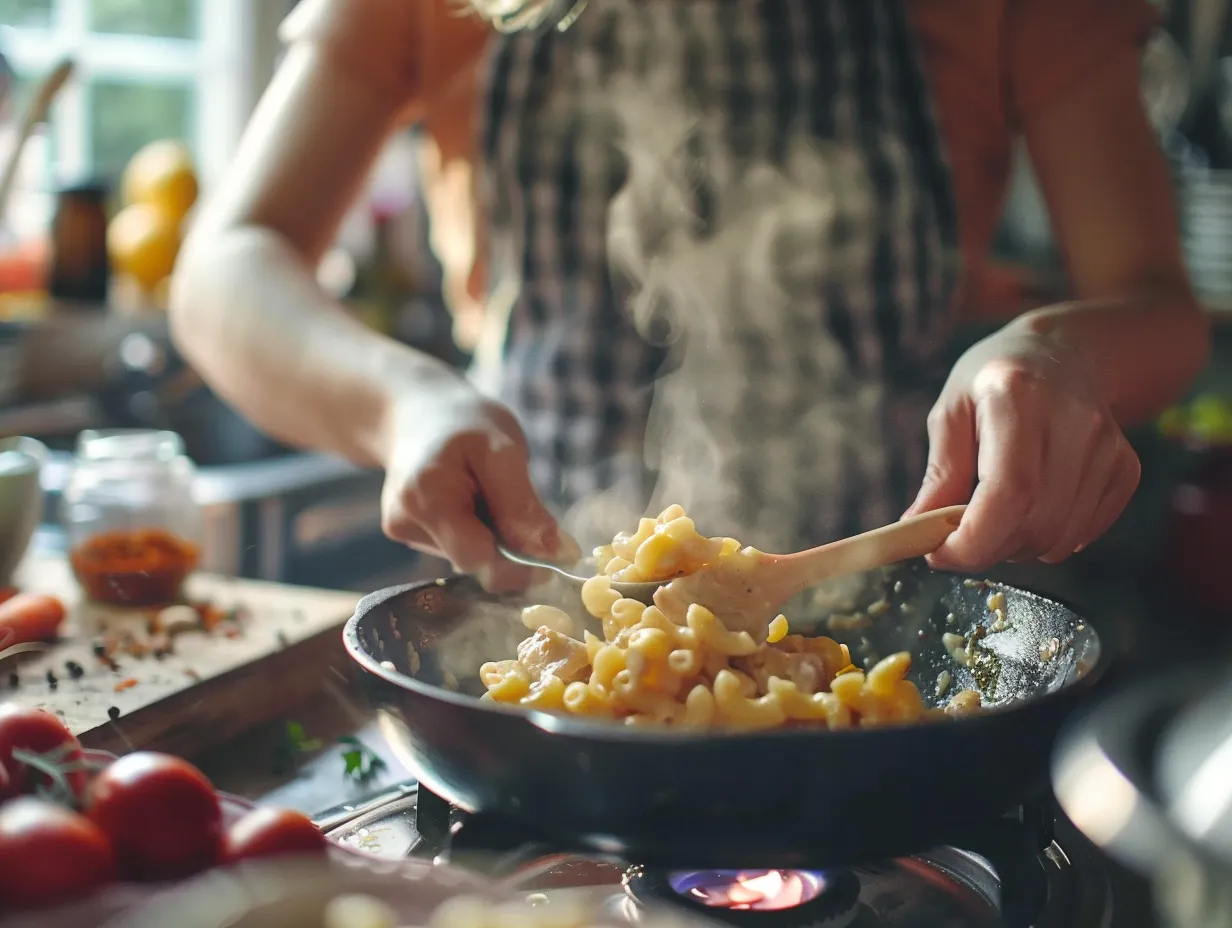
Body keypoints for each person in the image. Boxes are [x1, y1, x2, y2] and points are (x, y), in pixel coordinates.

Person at [170, 0, 1209, 592]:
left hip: (906, 620)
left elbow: (1157, 303)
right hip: (538, 612)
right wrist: (404, 403)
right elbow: (227, 267)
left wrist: (1061, 354)